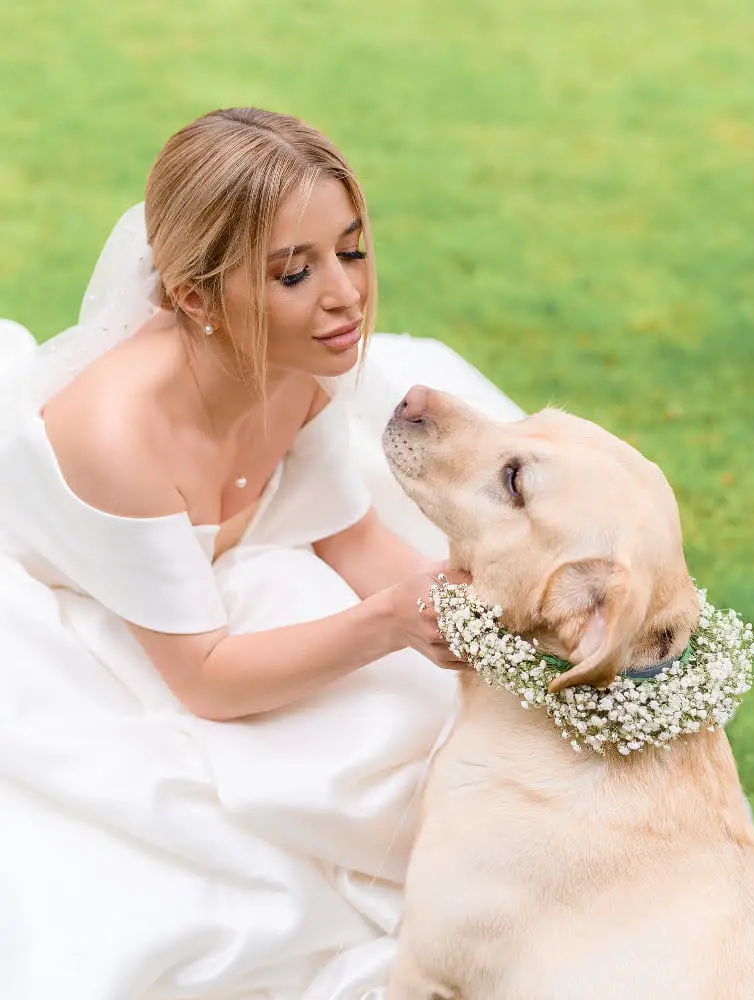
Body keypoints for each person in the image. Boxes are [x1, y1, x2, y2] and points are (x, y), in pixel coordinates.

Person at [0, 107, 523, 999]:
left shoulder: (305, 362)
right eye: (294, 272)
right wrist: (388, 624)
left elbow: (350, 534)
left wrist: (494, 617)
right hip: (112, 628)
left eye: (351, 253)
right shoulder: (118, 435)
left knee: (448, 711)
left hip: (223, 592)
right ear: (196, 298)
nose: (345, 297)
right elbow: (202, 678)